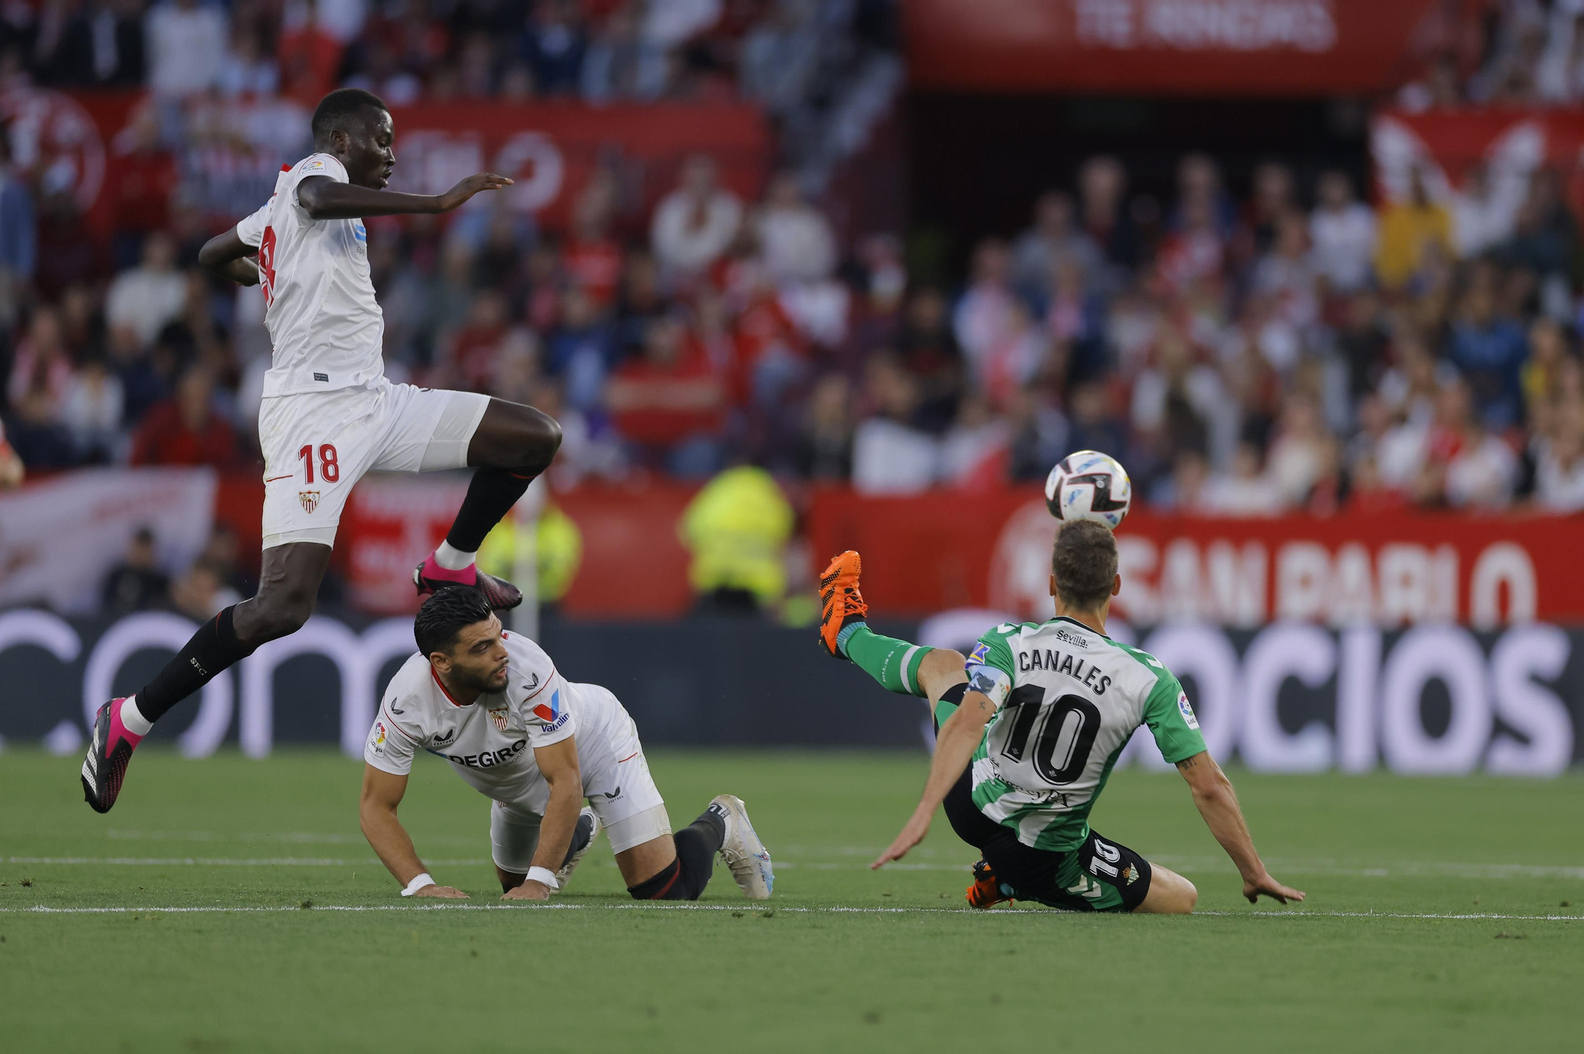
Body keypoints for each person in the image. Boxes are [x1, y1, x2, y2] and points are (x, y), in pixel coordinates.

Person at [81, 89, 563, 814]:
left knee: (533, 438)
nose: (392, 152)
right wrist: (433, 204)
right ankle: (129, 719)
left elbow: (215, 253)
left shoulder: (278, 209)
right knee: (282, 606)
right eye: (382, 137)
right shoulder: (310, 175)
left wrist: (265, 274)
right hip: (314, 415)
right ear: (342, 139)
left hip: (375, 397)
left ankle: (450, 565)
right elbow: (311, 194)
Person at [815, 524, 1305, 914]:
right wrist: (1253, 870)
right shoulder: (1148, 679)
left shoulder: (1009, 641)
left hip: (968, 805)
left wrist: (926, 810)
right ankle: (1006, 880)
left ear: (1051, 584)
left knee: (942, 666)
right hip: (1042, 857)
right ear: (1116, 585)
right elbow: (1209, 787)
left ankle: (848, 633)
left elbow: (967, 721)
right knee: (1183, 898)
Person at [360, 588, 774, 902]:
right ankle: (578, 830)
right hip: (515, 786)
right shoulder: (406, 702)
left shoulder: (526, 668)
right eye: (482, 648)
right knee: (511, 886)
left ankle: (723, 820)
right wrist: (420, 886)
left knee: (661, 889)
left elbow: (566, 779)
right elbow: (376, 806)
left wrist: (541, 882)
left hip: (593, 747)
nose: (501, 652)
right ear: (441, 662)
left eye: (497, 635)